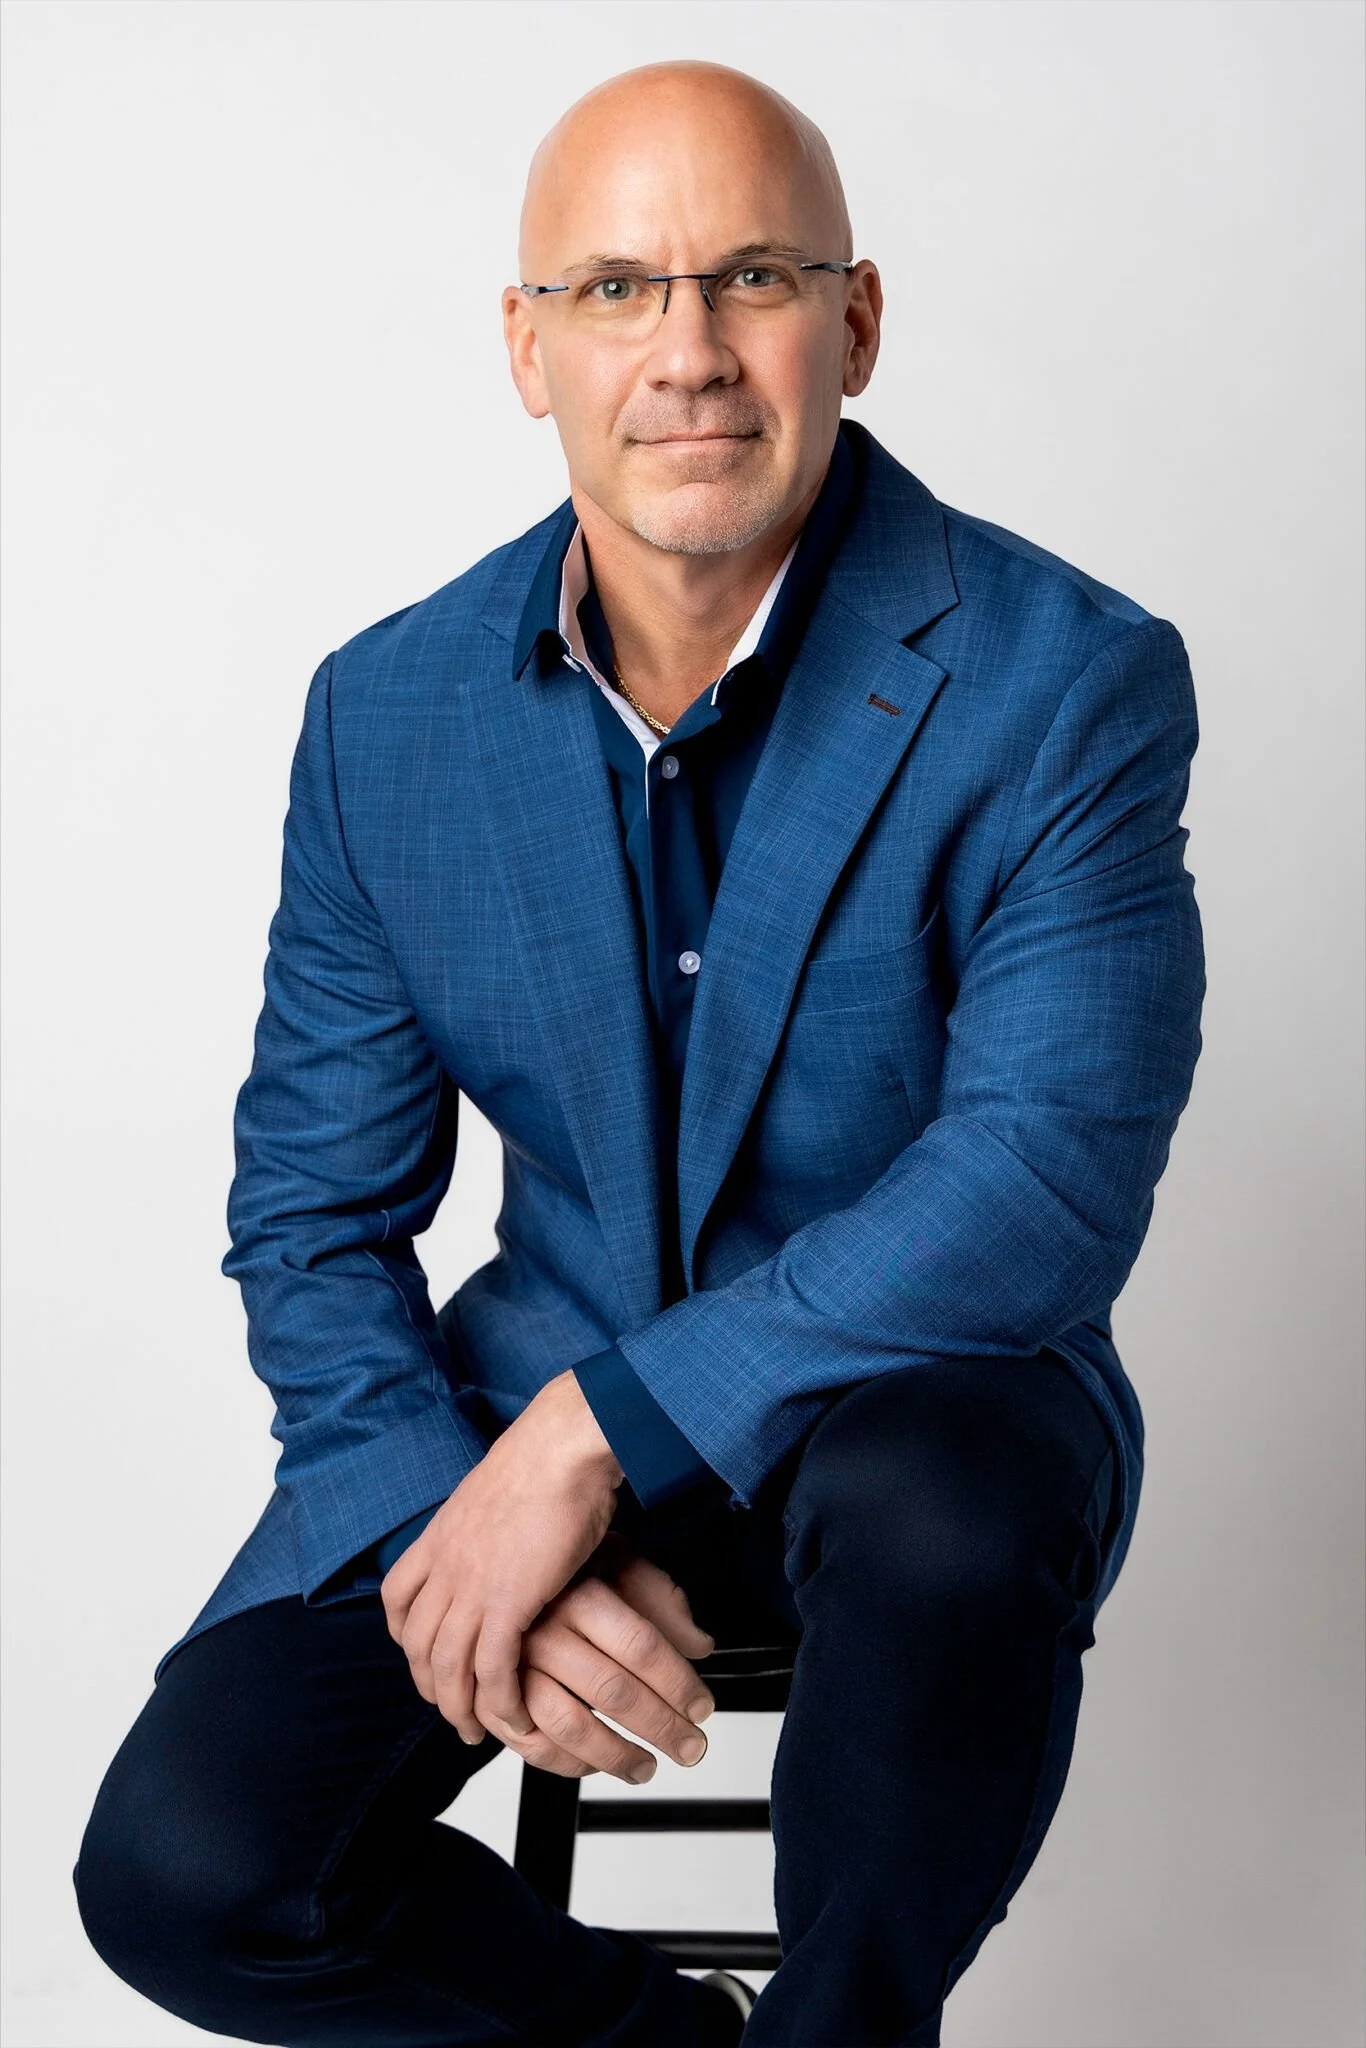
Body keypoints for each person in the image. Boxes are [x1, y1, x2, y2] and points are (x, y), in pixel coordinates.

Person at [72, 56, 1205, 2048]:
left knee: (946, 1492)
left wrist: (582, 1441)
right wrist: (456, 1502)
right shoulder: (384, 715)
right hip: (516, 1411)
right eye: (611, 290)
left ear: (853, 321)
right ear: (525, 348)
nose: (684, 350)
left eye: (749, 277)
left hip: (913, 1401)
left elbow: (1037, 1180)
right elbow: (310, 1214)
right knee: (188, 1861)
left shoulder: (1065, 681)